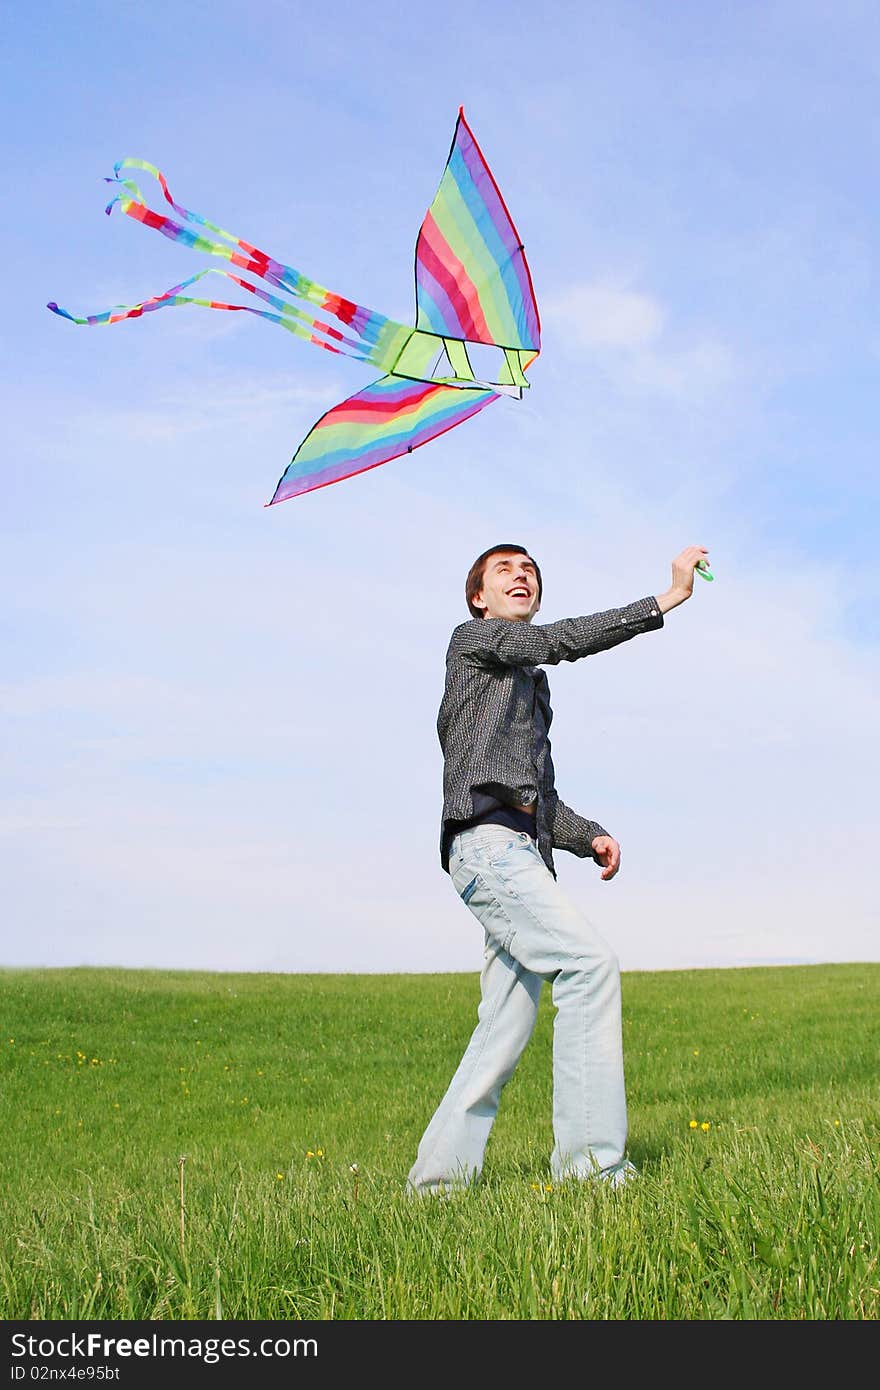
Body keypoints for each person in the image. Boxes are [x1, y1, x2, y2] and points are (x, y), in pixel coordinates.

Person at [406, 541, 709, 1194]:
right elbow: (559, 640)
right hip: (486, 849)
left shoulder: (529, 688)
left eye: (531, 570)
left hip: (517, 853)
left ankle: (435, 1186)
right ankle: (593, 1169)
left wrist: (587, 835)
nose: (523, 575)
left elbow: (536, 799)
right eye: (505, 570)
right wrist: (667, 599)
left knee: (504, 1028)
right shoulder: (473, 641)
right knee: (589, 966)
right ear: (479, 598)